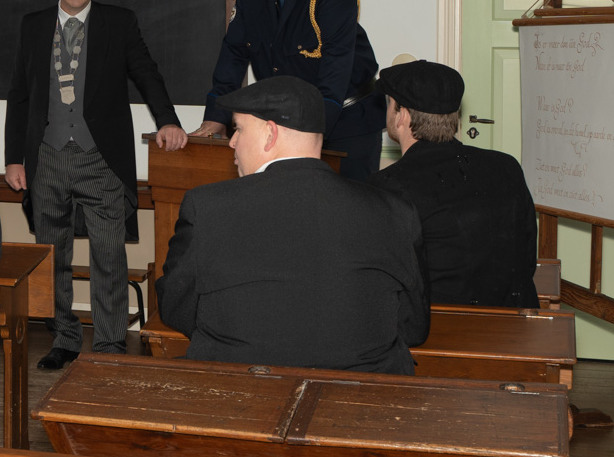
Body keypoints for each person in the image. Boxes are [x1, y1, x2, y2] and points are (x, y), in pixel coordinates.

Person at [4, 0, 187, 369]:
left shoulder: (118, 22)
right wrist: (13, 158)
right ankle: (65, 338)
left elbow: (146, 72)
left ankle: (108, 345)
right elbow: (20, 95)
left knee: (109, 256)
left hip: (101, 159)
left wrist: (168, 120)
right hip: (47, 157)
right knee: (53, 258)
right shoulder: (33, 26)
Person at [159, 77, 427, 373]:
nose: (232, 142)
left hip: (239, 388)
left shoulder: (207, 206)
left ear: (270, 133)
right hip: (363, 391)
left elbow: (175, 307)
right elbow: (413, 326)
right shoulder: (394, 212)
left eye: (239, 129)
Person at [189, 0, 384, 179]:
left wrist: (311, 134)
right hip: (290, 124)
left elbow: (336, 63)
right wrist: (216, 116)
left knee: (350, 203)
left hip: (346, 122)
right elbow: (234, 51)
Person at [366, 58, 538, 309]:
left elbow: (384, 279)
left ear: (401, 115)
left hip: (440, 325)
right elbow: (527, 259)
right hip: (513, 319)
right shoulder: (507, 167)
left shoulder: (388, 186)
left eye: (389, 104)